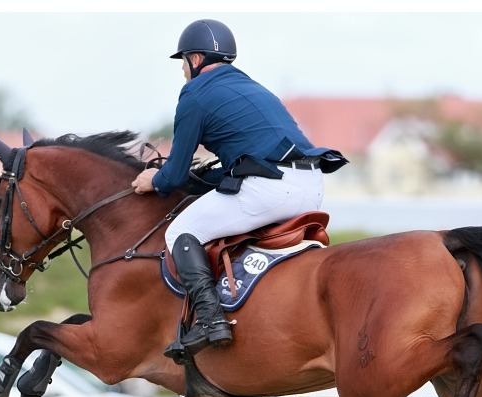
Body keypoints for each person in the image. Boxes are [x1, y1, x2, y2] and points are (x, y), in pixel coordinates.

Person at [131, 18, 347, 358]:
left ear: (195, 59)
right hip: (311, 185)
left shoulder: (194, 94)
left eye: (184, 63)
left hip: (272, 189)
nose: (184, 71)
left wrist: (151, 180)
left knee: (180, 231)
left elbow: (172, 176)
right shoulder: (254, 88)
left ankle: (210, 319)